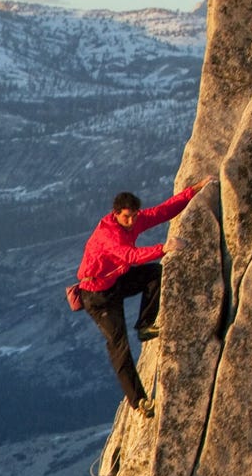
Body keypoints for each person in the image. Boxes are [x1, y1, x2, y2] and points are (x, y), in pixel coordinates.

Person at [74, 176, 211, 416]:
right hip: (97, 296)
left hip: (115, 282)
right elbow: (129, 256)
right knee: (119, 347)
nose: (131, 221)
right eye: (126, 216)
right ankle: (140, 402)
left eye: (134, 216)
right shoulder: (109, 234)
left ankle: (145, 324)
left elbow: (162, 212)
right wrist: (163, 248)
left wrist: (194, 190)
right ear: (115, 214)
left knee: (155, 274)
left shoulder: (134, 222)